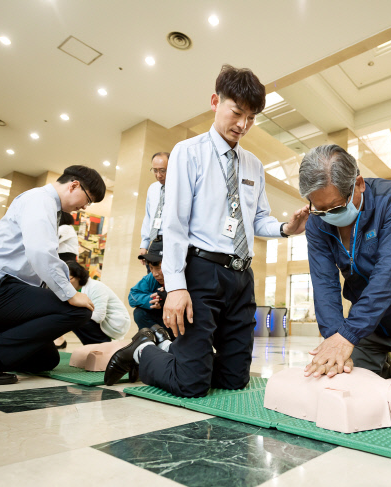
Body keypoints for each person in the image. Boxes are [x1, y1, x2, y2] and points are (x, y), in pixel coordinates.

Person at [105, 65, 309, 395]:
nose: (243, 125)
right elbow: (174, 225)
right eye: (237, 112)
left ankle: (180, 354)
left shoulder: (254, 165)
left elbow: (257, 220)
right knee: (192, 384)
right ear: (216, 101)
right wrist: (175, 287)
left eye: (252, 118)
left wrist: (286, 228)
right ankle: (142, 351)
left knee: (234, 382)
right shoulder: (189, 152)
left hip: (241, 277)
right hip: (201, 272)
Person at [0, 166, 107, 385]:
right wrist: (70, 293)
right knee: (77, 311)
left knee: (46, 359)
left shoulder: (49, 208)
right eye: (88, 200)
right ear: (74, 185)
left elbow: (45, 256)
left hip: (2, 292)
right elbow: (40, 251)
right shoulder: (39, 199)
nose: (83, 207)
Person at [298, 144, 391, 380]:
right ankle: (384, 368)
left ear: (359, 184)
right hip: (368, 322)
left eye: (336, 207)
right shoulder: (317, 223)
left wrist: (349, 334)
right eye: (320, 208)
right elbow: (324, 284)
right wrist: (334, 337)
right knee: (342, 384)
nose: (329, 216)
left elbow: (388, 275)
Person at [67, 261, 130, 344]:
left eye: (68, 279)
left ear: (78, 277)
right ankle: (91, 347)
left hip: (114, 324)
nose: (65, 283)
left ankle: (102, 345)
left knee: (76, 316)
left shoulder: (96, 287)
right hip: (99, 322)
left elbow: (99, 317)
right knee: (71, 316)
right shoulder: (74, 290)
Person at [139, 152, 169, 264]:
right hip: (155, 243)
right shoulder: (153, 188)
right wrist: (144, 245)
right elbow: (148, 217)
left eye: (162, 170)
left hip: (171, 241)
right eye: (155, 170)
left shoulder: (180, 187)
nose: (158, 175)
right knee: (152, 278)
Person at [128, 240, 167, 330]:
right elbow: (132, 296)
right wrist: (154, 300)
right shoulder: (151, 278)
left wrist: (167, 297)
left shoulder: (184, 276)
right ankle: (158, 339)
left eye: (158, 268)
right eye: (151, 268)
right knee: (139, 313)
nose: (155, 273)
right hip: (161, 320)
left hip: (178, 320)